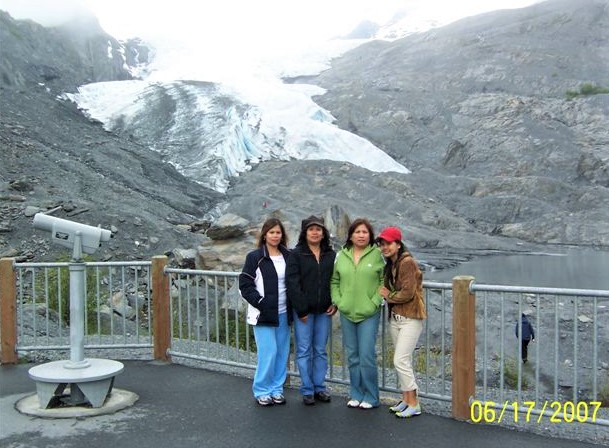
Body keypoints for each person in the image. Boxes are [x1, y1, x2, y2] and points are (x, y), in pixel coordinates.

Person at [330, 218, 385, 409]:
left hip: (368, 313)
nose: (361, 235)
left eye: (365, 232)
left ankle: (371, 396)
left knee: (367, 355)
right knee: (352, 355)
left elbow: (385, 282)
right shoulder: (341, 256)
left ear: (370, 235)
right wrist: (339, 300)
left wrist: (375, 302)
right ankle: (356, 393)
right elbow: (335, 281)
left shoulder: (377, 255)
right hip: (347, 312)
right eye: (357, 232)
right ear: (351, 235)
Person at [239, 217, 292, 406]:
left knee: (281, 353)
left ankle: (277, 389)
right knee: (268, 352)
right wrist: (260, 302)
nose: (275, 236)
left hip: (284, 312)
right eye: (272, 232)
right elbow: (245, 284)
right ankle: (262, 389)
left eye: (278, 232)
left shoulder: (288, 255)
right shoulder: (255, 257)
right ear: (265, 234)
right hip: (263, 313)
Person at [286, 215, 337, 405]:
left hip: (324, 310)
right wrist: (301, 309)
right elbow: (292, 283)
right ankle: (307, 389)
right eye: (311, 229)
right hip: (304, 313)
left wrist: (335, 302)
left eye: (319, 229)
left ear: (323, 233)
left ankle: (319, 387)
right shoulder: (296, 254)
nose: (315, 232)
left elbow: (336, 281)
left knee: (320, 350)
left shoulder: (331, 255)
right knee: (304, 350)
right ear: (305, 232)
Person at [377, 226, 427, 418]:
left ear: (398, 244)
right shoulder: (392, 264)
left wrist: (389, 296)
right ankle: (406, 400)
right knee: (402, 361)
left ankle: (414, 403)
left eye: (388, 243)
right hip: (397, 318)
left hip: (410, 318)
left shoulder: (407, 262)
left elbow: (407, 292)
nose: (384, 247)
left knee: (400, 360)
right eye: (382, 244)